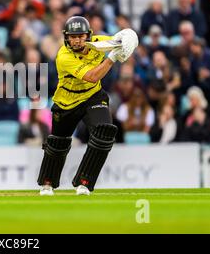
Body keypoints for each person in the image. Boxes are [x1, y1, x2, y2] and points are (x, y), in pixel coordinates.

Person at [37, 16, 136, 196]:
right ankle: (47, 183)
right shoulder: (64, 56)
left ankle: (84, 182)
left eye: (81, 36)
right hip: (66, 102)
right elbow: (92, 76)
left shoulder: (99, 42)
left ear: (88, 35)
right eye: (73, 37)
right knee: (58, 143)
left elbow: (122, 39)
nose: (77, 40)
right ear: (66, 38)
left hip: (92, 96)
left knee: (105, 131)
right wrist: (112, 58)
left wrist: (129, 37)